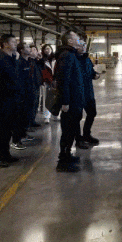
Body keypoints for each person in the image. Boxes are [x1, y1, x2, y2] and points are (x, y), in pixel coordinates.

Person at [53, 30, 86, 172]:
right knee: (68, 130)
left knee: (72, 129)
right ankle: (63, 162)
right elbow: (63, 80)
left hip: (75, 99)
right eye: (76, 38)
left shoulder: (72, 54)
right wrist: (65, 101)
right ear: (70, 41)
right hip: (70, 101)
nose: (79, 40)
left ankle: (67, 155)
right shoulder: (66, 55)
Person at [0, 34, 22, 168]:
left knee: (7, 129)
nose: (16, 44)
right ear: (5, 44)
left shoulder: (11, 58)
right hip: (3, 100)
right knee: (0, 130)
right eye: (13, 42)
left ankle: (6, 154)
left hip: (12, 99)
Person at [75, 40, 100, 148]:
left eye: (84, 45)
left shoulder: (87, 59)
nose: (83, 47)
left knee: (92, 113)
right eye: (81, 45)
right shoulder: (74, 59)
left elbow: (91, 72)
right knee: (77, 117)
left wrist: (95, 75)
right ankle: (78, 139)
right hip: (78, 93)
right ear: (76, 46)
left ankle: (86, 135)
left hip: (88, 92)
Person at [10, 42, 35, 150]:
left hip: (29, 93)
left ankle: (23, 134)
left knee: (26, 116)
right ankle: (16, 140)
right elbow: (18, 80)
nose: (30, 49)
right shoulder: (19, 63)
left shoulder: (29, 61)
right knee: (19, 118)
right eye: (27, 47)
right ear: (21, 50)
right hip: (21, 94)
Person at [28, 45, 43, 128]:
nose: (35, 51)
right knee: (31, 105)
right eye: (33, 50)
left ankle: (32, 120)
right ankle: (29, 123)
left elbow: (42, 68)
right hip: (31, 86)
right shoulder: (28, 61)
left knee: (35, 104)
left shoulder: (35, 61)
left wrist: (40, 59)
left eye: (36, 50)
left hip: (37, 85)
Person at [40, 44, 55, 124]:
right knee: (46, 100)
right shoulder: (42, 60)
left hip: (55, 82)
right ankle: (46, 117)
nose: (47, 50)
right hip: (47, 82)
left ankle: (56, 115)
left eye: (49, 48)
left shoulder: (55, 59)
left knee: (56, 99)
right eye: (45, 49)